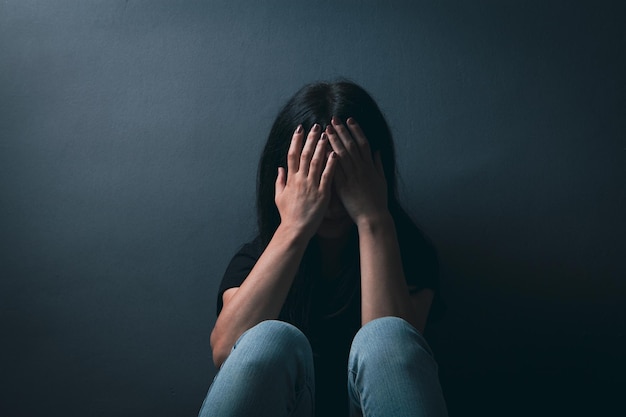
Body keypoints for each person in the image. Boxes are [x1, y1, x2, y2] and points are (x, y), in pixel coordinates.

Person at [198, 80, 448, 417]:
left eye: (346, 176)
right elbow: (226, 351)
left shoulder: (410, 258)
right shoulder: (254, 258)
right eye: (317, 177)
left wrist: (373, 217)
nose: (331, 201)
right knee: (268, 338)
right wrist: (294, 227)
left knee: (387, 335)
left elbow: (395, 358)